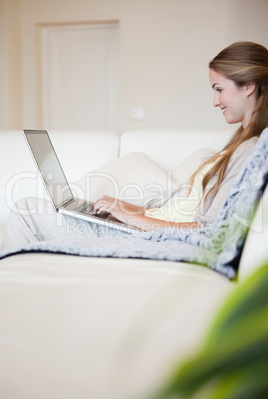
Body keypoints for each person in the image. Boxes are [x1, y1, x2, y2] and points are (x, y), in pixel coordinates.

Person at [1, 41, 268, 252]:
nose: (215, 101)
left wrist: (129, 218)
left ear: (248, 86)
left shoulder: (251, 151)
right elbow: (180, 212)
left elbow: (207, 231)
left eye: (219, 89)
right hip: (146, 226)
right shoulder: (240, 142)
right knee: (32, 209)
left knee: (26, 210)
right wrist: (125, 207)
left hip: (153, 236)